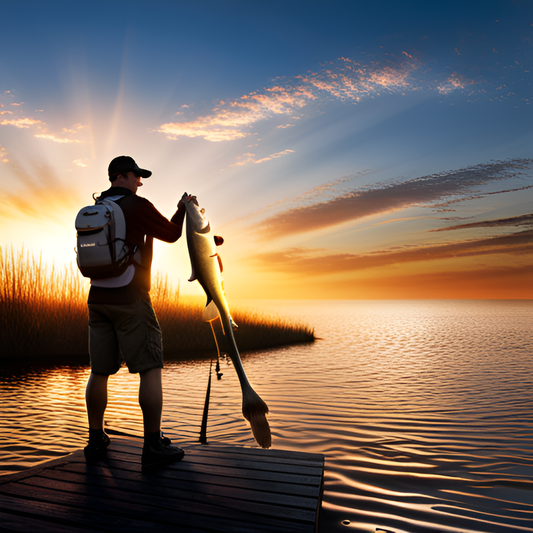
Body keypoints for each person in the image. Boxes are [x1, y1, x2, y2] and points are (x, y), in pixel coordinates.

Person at [83, 155, 189, 470]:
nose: (140, 182)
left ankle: (95, 439)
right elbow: (171, 234)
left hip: (96, 299)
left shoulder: (95, 208)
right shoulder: (137, 205)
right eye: (137, 176)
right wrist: (181, 210)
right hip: (131, 297)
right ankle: (152, 444)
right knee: (150, 367)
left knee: (99, 371)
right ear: (125, 176)